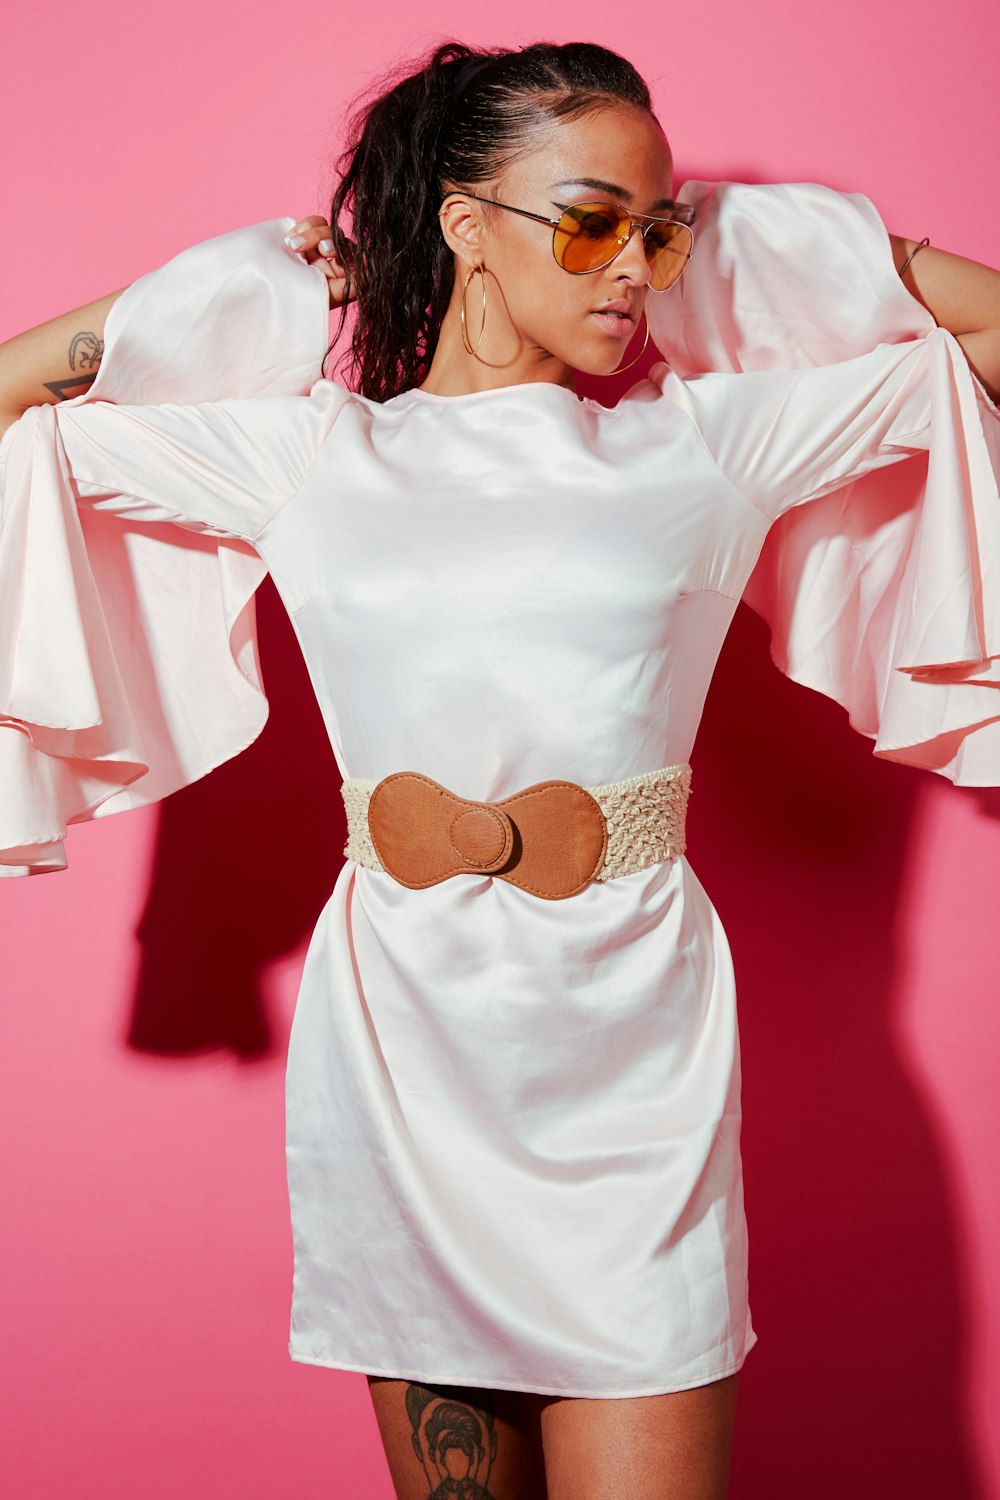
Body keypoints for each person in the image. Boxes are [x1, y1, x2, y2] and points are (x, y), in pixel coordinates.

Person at [2, 37, 999, 1500]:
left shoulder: (708, 447)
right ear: (466, 225)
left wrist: (807, 246)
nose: (634, 271)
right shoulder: (310, 457)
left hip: (633, 1051)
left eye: (659, 234)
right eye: (593, 220)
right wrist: (212, 298)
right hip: (404, 1044)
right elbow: (24, 415)